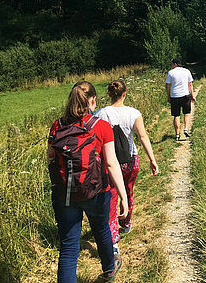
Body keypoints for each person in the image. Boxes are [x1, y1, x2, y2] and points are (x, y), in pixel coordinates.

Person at [48, 81, 128, 283]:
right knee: (101, 229)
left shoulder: (57, 126)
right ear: (93, 101)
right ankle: (109, 269)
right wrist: (123, 197)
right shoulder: (101, 126)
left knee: (68, 246)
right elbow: (111, 164)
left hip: (64, 192)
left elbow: (50, 158)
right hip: (97, 192)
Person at [96, 80, 159, 250]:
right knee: (128, 191)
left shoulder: (100, 114)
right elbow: (143, 137)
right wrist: (152, 159)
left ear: (109, 94)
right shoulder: (134, 113)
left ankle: (112, 235)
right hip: (130, 160)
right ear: (125, 94)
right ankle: (126, 222)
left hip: (109, 163)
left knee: (112, 196)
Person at [165, 58, 196, 141]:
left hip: (175, 96)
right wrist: (192, 96)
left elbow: (167, 85)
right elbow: (190, 84)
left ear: (175, 64)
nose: (171, 66)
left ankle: (177, 134)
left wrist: (168, 96)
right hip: (185, 95)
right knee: (187, 113)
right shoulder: (186, 71)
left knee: (176, 115)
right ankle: (186, 129)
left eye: (172, 64)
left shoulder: (171, 73)